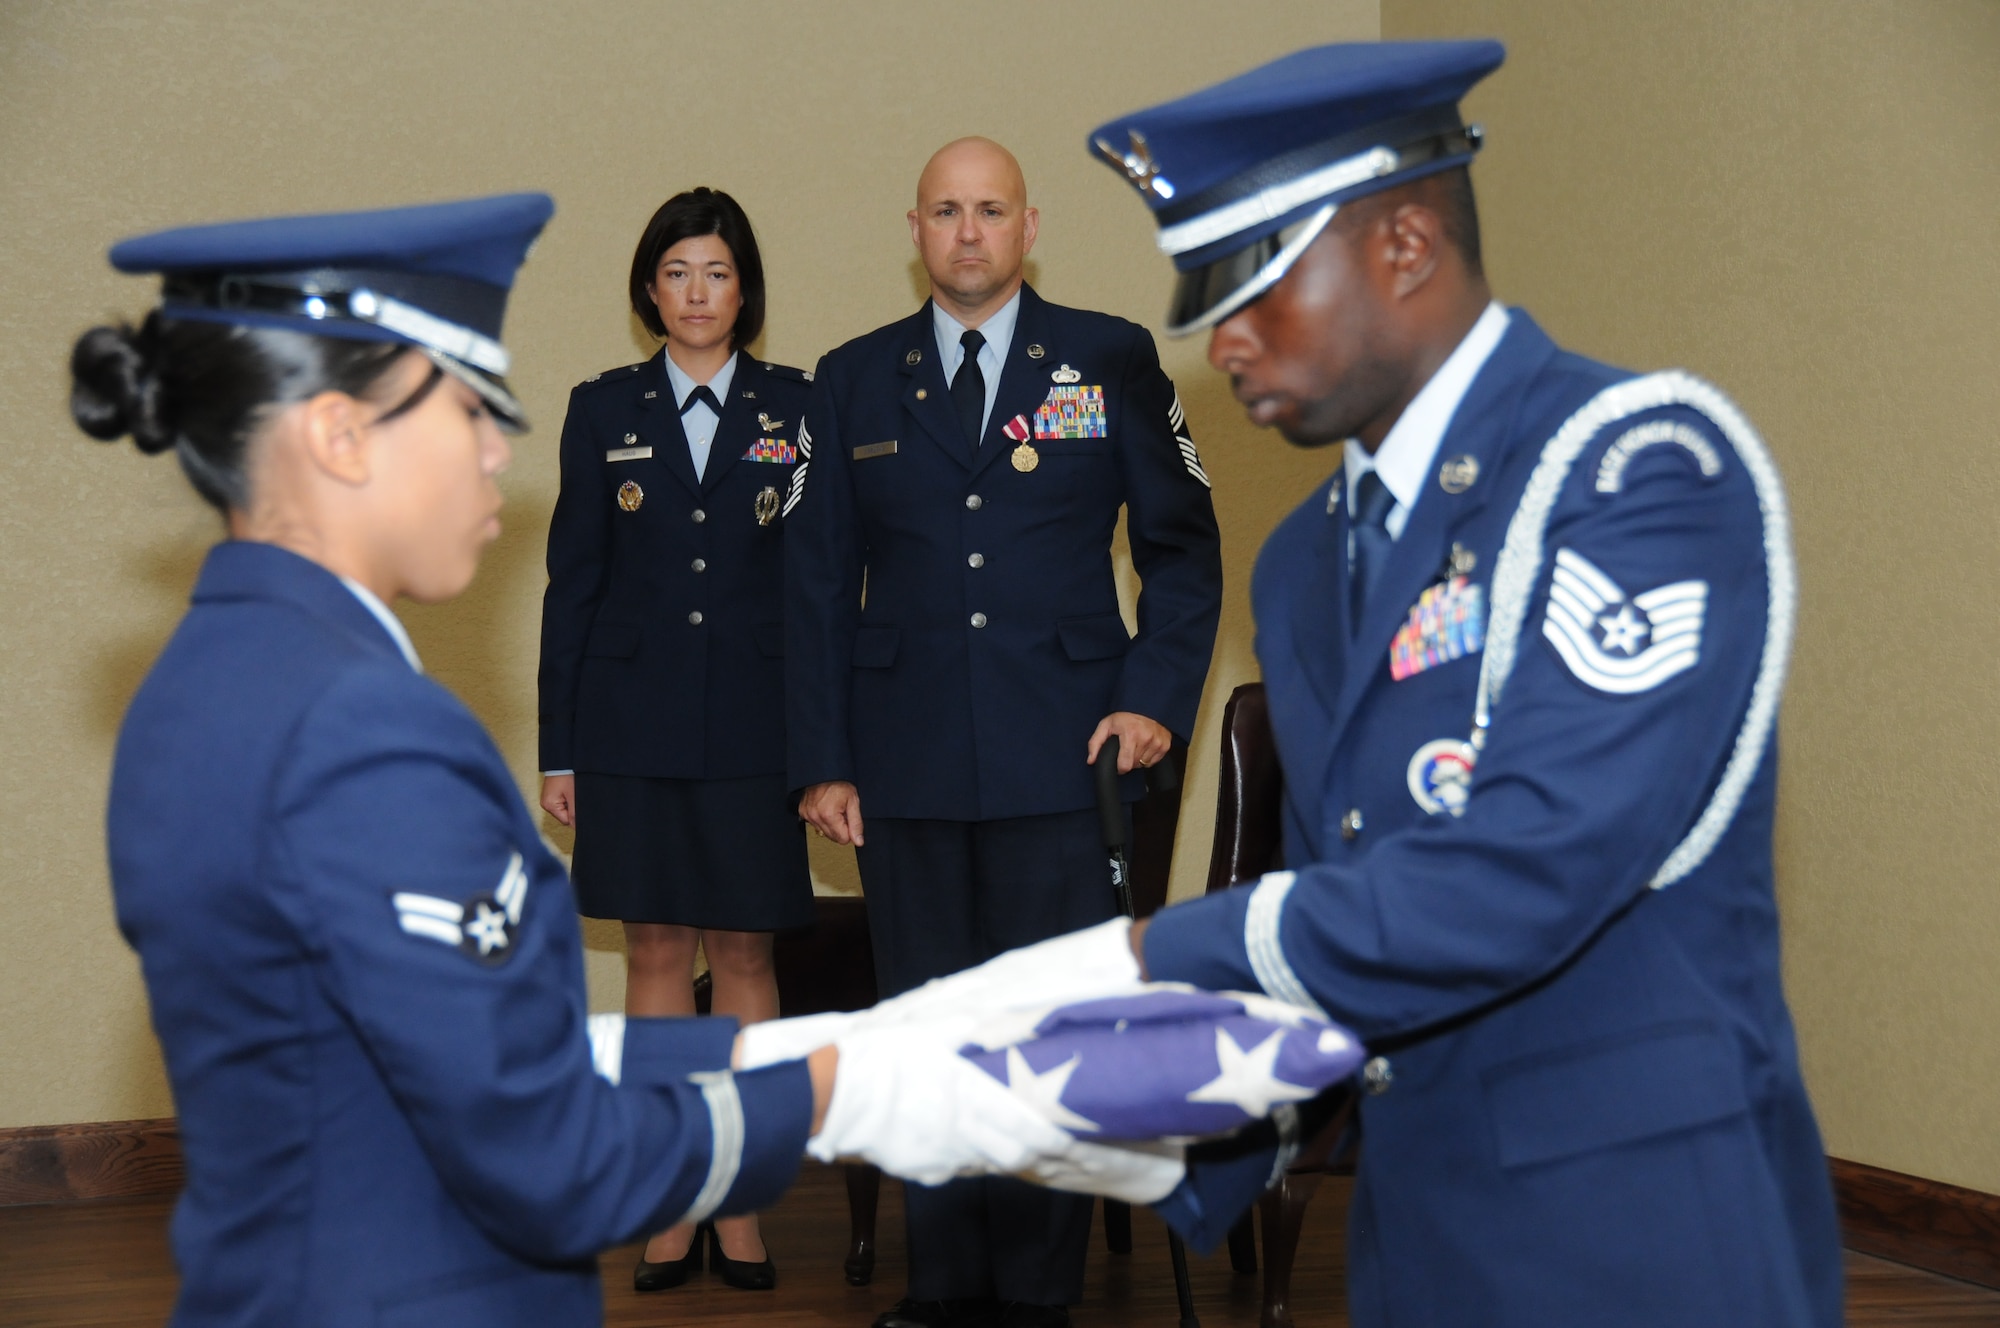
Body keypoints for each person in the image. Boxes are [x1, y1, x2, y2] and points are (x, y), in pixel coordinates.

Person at [1080, 40, 1843, 1328]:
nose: (1229, 343)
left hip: (1644, 1235)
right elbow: (1346, 909)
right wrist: (1147, 1130)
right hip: (1423, 1232)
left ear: (1404, 245)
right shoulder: (1300, 566)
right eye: (1208, 303)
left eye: (1258, 283)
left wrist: (1152, 952)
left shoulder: (1634, 467)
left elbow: (1522, 867)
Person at [72, 194, 837, 1328]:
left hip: (300, 1275)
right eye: (469, 408)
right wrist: (850, 1082)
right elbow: (533, 1134)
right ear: (338, 435)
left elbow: (437, 1046)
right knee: (664, 941)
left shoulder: (210, 675)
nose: (497, 449)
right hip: (405, 1295)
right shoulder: (364, 730)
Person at [786, 138, 1224, 1328]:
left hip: (1066, 754)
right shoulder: (853, 377)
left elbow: (1182, 548)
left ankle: (1033, 1295)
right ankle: (945, 1289)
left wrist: (1152, 695)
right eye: (944, 211)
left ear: (1029, 228)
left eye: (989, 210)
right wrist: (822, 757)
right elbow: (819, 582)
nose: (967, 232)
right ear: (914, 230)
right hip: (906, 762)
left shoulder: (1106, 357)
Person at [537, 187, 814, 1293]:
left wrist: (825, 744)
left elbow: (816, 583)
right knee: (654, 950)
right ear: (648, 291)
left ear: (744, 290)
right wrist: (559, 747)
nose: (697, 294)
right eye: (676, 274)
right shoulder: (602, 409)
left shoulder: (797, 408)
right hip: (630, 725)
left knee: (744, 953)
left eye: (717, 273)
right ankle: (665, 1196)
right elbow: (573, 586)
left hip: (758, 725)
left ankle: (740, 1204)